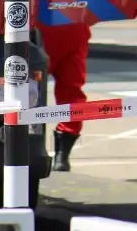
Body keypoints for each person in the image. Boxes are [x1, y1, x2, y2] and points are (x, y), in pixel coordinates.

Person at [36, 15, 92, 173]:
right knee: (72, 94)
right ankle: (62, 156)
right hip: (74, 27)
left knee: (26, 93)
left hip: (38, 30)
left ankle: (23, 149)